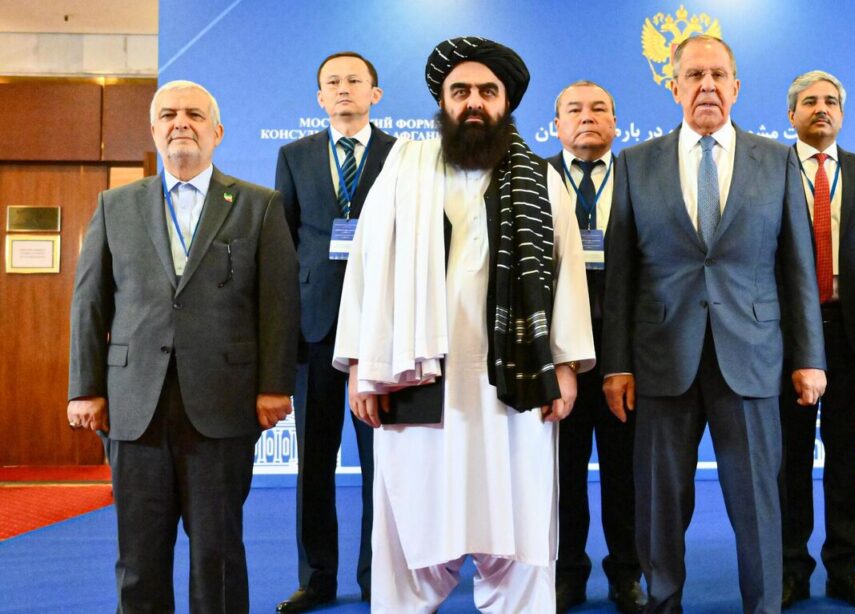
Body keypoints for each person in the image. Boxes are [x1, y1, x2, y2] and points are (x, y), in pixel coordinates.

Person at [332, 36, 595, 613]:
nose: (473, 102)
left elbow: (566, 272)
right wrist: (360, 367)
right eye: (461, 91)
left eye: (487, 91)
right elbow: (365, 269)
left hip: (515, 384)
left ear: (506, 103)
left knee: (520, 527)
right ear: (442, 102)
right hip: (417, 377)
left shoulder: (541, 179)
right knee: (409, 532)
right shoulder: (403, 167)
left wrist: (568, 366)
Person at [603, 34, 826, 614]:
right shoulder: (635, 162)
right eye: (694, 75)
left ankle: (765, 606)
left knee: (758, 502)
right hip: (660, 359)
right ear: (673, 86)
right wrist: (617, 364)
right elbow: (623, 274)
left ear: (736, 87)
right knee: (659, 503)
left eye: (718, 75)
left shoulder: (776, 161)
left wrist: (810, 358)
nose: (706, 85)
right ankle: (664, 602)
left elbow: (798, 267)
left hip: (752, 357)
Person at [67, 79, 298, 613]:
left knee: (217, 553)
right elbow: (89, 303)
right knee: (139, 557)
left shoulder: (259, 206)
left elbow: (278, 305)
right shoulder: (115, 205)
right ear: (154, 130)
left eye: (194, 114)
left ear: (217, 132)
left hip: (223, 404)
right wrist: (85, 389)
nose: (181, 122)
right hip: (133, 406)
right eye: (168, 114)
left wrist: (273, 386)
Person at [273, 50, 397, 613]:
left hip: (385, 331)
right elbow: (284, 246)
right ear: (319, 97)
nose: (343, 89)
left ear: (375, 93)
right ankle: (318, 576)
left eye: (355, 81)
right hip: (316, 330)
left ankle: (380, 578)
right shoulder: (294, 156)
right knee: (314, 465)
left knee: (384, 467)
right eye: (332, 82)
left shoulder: (404, 156)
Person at [777, 70, 855, 611]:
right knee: (789, 458)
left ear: (843, 113)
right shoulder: (767, 169)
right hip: (784, 333)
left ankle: (845, 567)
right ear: (791, 114)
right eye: (810, 101)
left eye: (831, 101)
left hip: (850, 331)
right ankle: (790, 567)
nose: (822, 108)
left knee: (846, 456)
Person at [544, 79, 646, 614]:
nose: (587, 117)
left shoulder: (640, 176)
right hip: (556, 350)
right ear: (556, 123)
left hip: (624, 348)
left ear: (616, 121)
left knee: (624, 469)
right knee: (561, 471)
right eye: (575, 109)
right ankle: (567, 572)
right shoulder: (532, 178)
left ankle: (627, 572)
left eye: (599, 108)